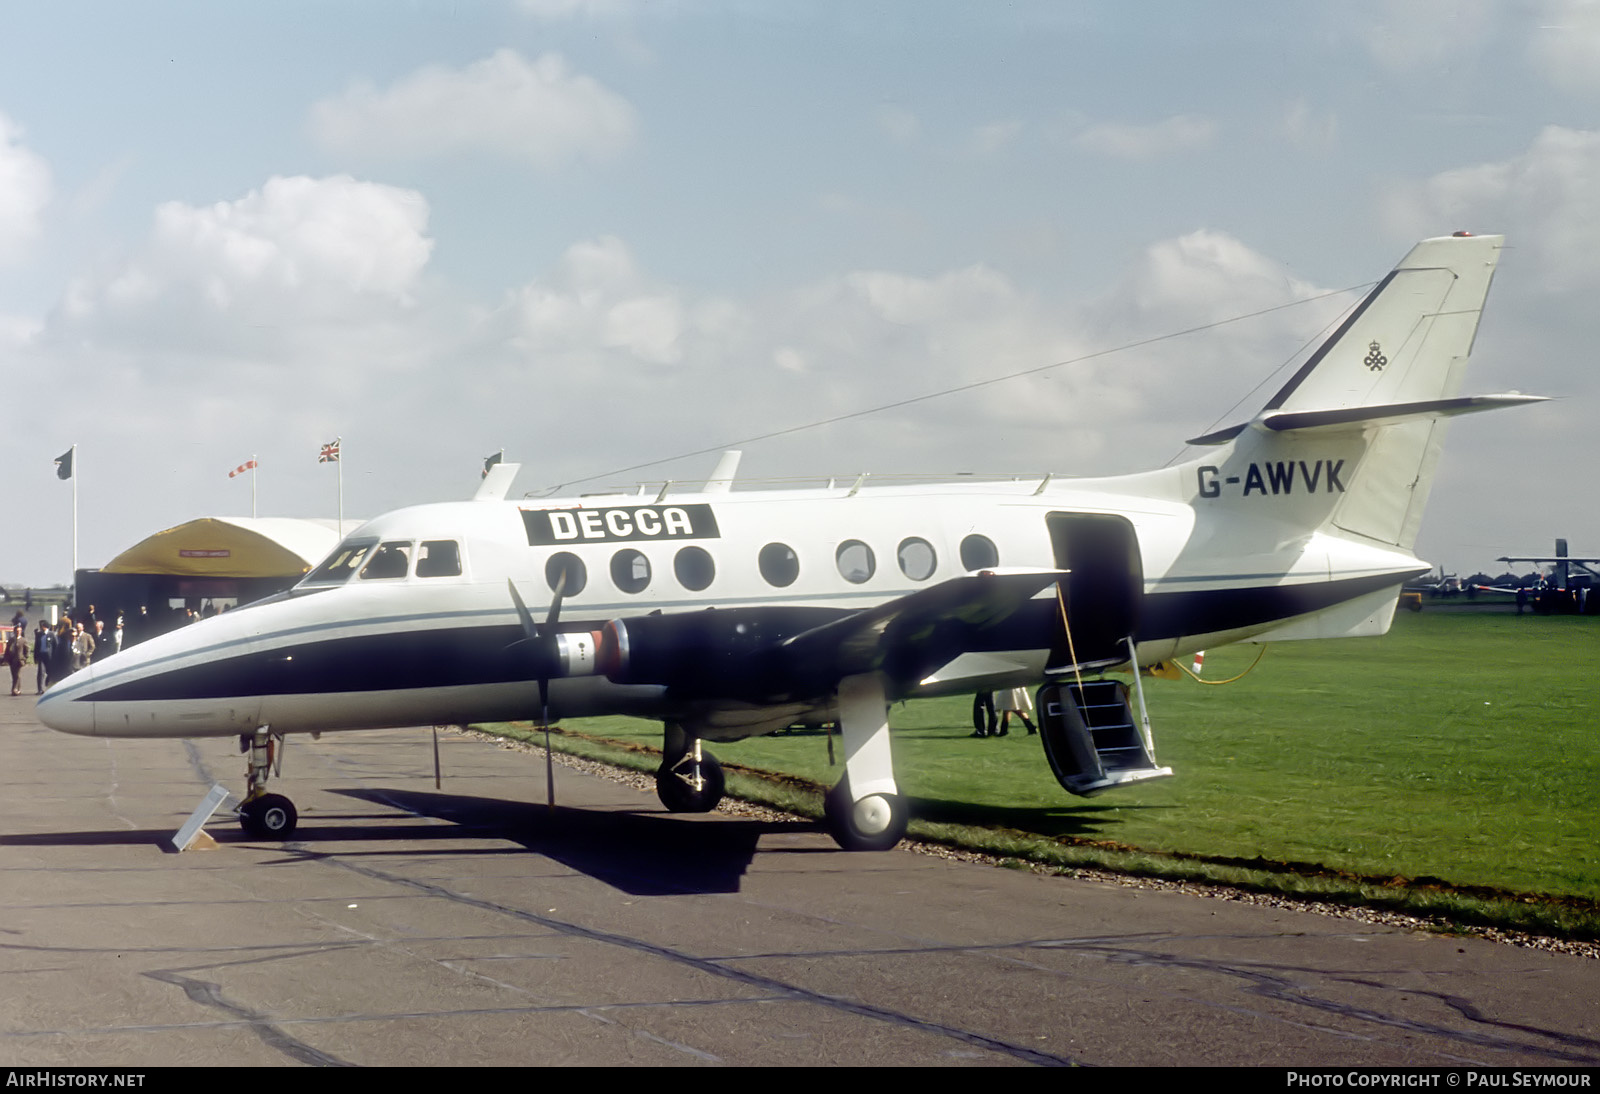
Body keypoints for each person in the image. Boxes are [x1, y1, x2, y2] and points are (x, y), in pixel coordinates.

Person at [3, 627, 27, 696]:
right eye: (17, 631)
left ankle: (14, 689)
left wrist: (24, 658)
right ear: (14, 631)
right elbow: (7, 649)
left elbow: (27, 650)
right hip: (12, 660)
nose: (18, 632)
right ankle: (18, 689)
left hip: (19, 661)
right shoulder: (11, 640)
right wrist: (6, 659)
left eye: (19, 631)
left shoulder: (23, 640)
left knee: (17, 675)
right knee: (14, 675)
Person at [33, 620, 53, 693]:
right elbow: (36, 646)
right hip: (41, 655)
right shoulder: (39, 635)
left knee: (50, 672)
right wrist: (35, 657)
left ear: (45, 627)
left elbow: (55, 645)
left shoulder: (52, 635)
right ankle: (40, 689)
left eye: (41, 626)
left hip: (49, 656)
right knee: (41, 673)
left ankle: (49, 684)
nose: (40, 628)